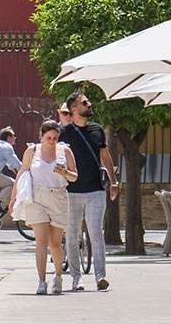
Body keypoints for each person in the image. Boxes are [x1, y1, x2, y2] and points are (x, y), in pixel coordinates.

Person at [59, 90, 118, 292]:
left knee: (96, 233)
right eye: (85, 103)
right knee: (73, 235)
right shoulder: (64, 133)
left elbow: (106, 156)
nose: (89, 104)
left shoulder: (97, 130)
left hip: (96, 190)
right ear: (74, 109)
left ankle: (100, 276)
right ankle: (76, 278)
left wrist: (114, 181)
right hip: (71, 191)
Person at [11, 120, 78, 295]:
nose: (52, 141)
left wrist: (64, 172)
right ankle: (41, 281)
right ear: (41, 136)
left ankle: (58, 275)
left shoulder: (65, 151)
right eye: (48, 137)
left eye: (55, 138)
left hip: (59, 197)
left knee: (55, 243)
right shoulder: (32, 151)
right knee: (40, 242)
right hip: (37, 197)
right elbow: (22, 172)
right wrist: (13, 198)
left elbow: (74, 177)